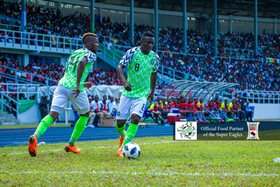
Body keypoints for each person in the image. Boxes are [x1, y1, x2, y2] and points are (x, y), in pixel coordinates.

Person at [28, 32, 99, 157]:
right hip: (74, 88)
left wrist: (82, 83)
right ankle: (71, 144)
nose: (97, 45)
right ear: (88, 43)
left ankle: (35, 137)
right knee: (85, 115)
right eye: (95, 43)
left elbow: (69, 71)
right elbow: (82, 63)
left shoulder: (75, 53)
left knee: (53, 114)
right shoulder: (91, 54)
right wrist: (78, 84)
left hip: (61, 85)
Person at [115, 31, 159, 157]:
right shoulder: (132, 52)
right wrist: (124, 82)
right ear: (141, 42)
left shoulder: (155, 57)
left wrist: (152, 91)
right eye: (147, 42)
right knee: (120, 124)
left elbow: (154, 74)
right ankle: (123, 136)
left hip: (142, 94)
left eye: (152, 43)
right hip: (128, 93)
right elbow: (119, 67)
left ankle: (122, 149)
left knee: (135, 119)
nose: (150, 45)